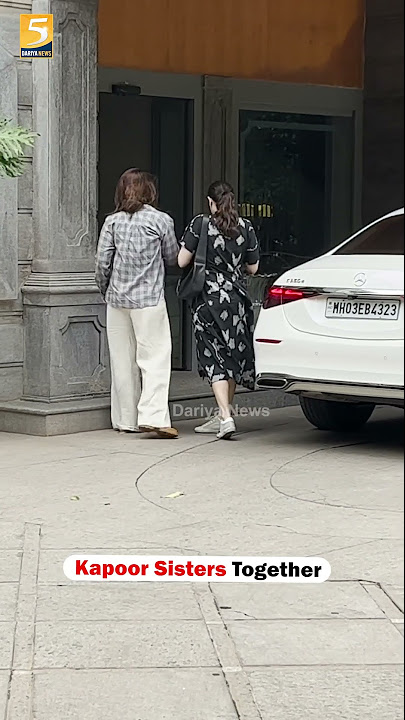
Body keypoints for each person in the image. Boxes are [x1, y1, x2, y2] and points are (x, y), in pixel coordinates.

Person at [95, 168, 179, 439]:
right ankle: (153, 417)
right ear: (150, 192)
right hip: (149, 300)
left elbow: (101, 263)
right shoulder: (161, 220)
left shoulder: (112, 222)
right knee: (153, 358)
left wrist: (106, 290)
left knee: (121, 361)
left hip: (117, 300)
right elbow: (172, 257)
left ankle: (126, 420)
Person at [178, 181, 259, 439]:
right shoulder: (245, 227)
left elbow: (182, 260)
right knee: (231, 358)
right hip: (236, 301)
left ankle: (225, 417)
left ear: (210, 202)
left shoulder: (201, 225)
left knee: (214, 358)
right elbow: (254, 267)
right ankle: (223, 414)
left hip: (208, 301)